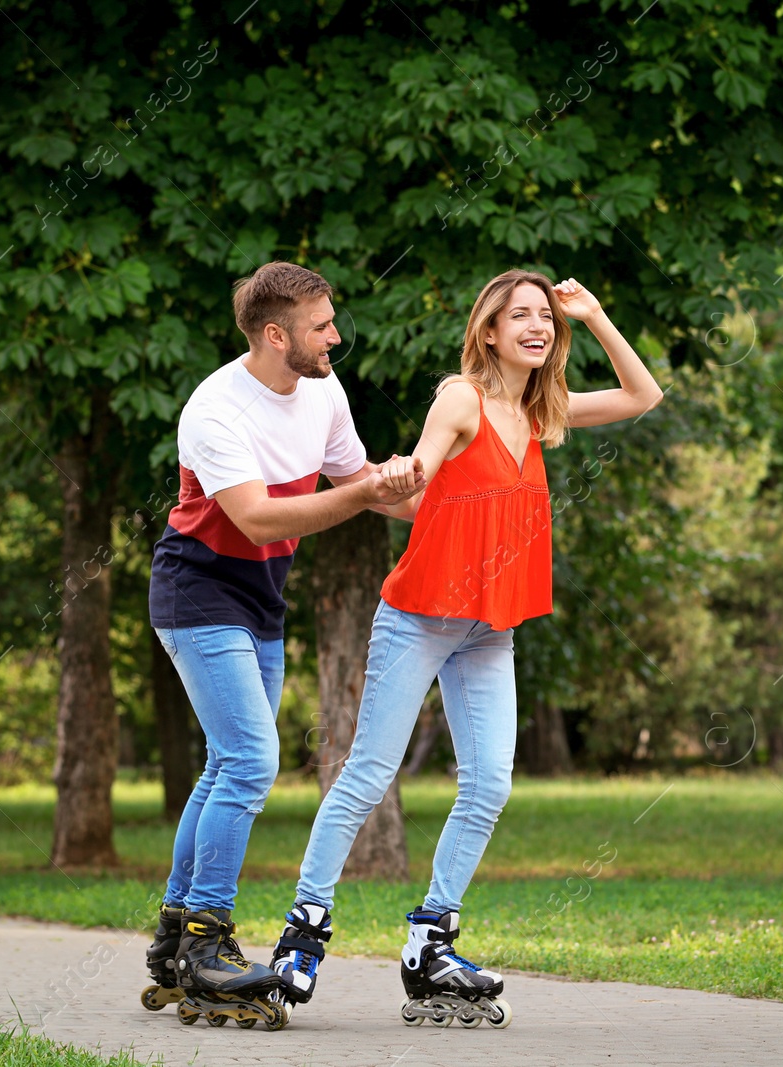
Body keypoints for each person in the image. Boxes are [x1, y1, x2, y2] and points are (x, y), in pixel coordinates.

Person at [269, 269, 662, 1027]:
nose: (536, 325)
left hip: (489, 626)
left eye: (545, 316)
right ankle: (303, 930)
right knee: (367, 774)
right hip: (419, 615)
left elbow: (642, 396)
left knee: (488, 784)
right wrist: (399, 475)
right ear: (488, 331)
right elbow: (422, 467)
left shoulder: (543, 412)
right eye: (519, 315)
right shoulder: (463, 397)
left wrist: (598, 314)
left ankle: (431, 939)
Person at [141, 261, 424, 1028]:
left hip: (260, 598)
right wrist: (366, 493)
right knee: (251, 759)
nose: (336, 336)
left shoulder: (325, 392)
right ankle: (207, 939)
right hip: (198, 590)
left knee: (225, 765)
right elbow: (259, 519)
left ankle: (173, 936)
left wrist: (441, 507)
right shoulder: (215, 408)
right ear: (276, 334)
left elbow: (360, 478)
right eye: (321, 325)